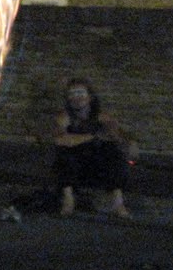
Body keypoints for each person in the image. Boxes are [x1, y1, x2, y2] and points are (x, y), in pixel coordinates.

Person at [52, 78, 133, 218]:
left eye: (80, 92)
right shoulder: (64, 118)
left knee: (113, 152)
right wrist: (93, 137)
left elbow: (116, 135)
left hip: (98, 166)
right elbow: (61, 140)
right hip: (75, 166)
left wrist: (127, 142)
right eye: (72, 93)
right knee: (64, 154)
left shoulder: (102, 117)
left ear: (89, 97)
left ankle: (118, 203)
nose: (77, 97)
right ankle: (68, 201)